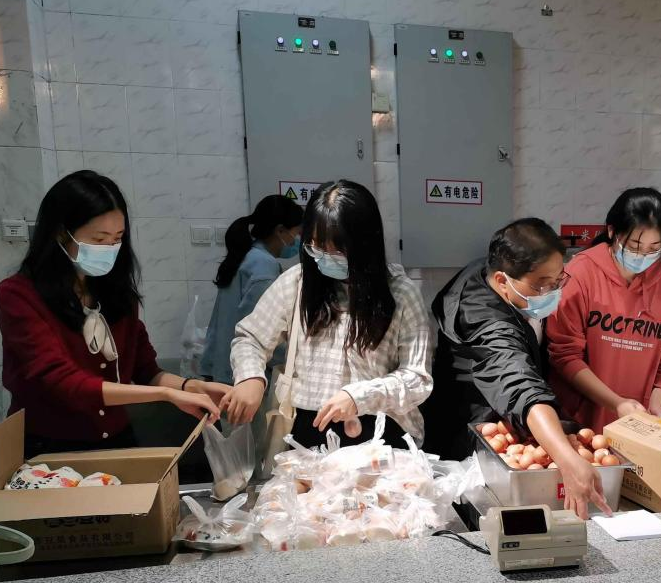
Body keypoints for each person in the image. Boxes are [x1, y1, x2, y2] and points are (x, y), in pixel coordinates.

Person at [0, 171, 229, 458]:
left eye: (117, 239)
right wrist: (166, 395)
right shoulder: (19, 295)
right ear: (61, 234)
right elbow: (63, 383)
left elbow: (145, 370)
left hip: (116, 441)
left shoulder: (115, 294)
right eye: (99, 239)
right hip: (50, 449)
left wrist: (191, 386)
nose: (110, 249)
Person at [221, 179, 433, 449]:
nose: (325, 256)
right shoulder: (297, 283)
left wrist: (360, 397)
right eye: (317, 245)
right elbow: (251, 337)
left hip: (380, 432)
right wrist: (251, 376)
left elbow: (418, 379)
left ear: (364, 244)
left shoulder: (400, 293)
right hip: (309, 430)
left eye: (338, 249)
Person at [424, 218, 612, 520]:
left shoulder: (487, 272)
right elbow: (517, 381)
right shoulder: (487, 321)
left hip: (504, 420)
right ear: (502, 281)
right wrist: (567, 458)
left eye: (558, 280)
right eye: (542, 284)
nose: (553, 291)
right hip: (471, 440)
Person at [545, 188, 661, 434]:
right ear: (612, 232)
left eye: (654, 249)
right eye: (635, 246)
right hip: (581, 423)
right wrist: (616, 403)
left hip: (638, 426)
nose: (643, 256)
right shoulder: (581, 273)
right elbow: (565, 356)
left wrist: (657, 403)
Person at [199, 194, 304, 385]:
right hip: (240, 374)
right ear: (280, 230)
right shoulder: (264, 267)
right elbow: (260, 332)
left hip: (218, 367)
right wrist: (300, 360)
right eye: (296, 234)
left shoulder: (246, 255)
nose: (296, 241)